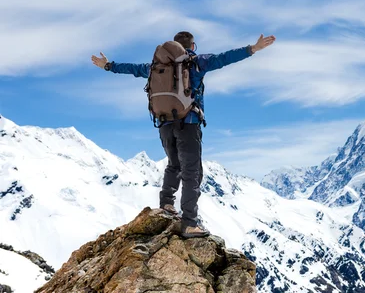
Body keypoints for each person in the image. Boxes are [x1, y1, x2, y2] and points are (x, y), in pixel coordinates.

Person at [91, 32, 276, 237]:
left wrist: (108, 65)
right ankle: (189, 223)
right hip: (188, 123)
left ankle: (167, 204)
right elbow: (225, 58)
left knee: (174, 164)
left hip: (163, 123)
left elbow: (133, 69)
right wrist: (253, 48)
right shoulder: (196, 62)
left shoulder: (157, 65)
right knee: (192, 172)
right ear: (192, 46)